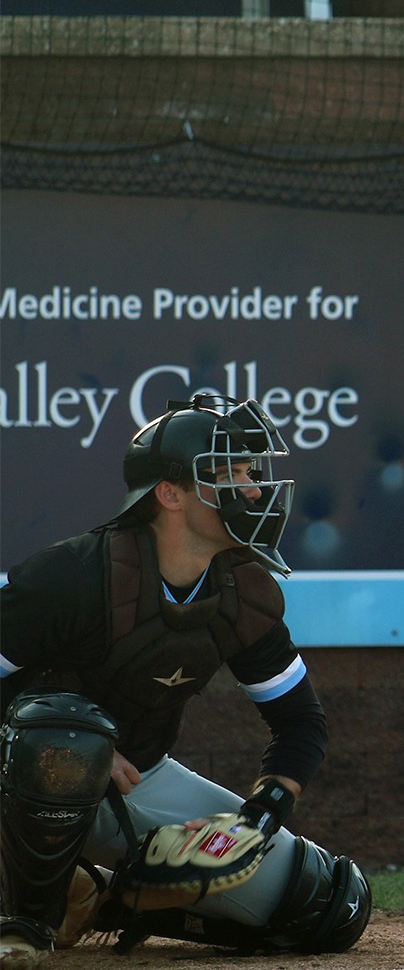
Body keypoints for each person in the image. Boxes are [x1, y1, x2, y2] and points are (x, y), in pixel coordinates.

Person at [0, 395, 371, 967]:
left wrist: (255, 820)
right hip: (20, 780)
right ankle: (23, 918)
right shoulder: (70, 578)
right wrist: (72, 744)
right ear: (169, 494)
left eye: (253, 473)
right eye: (229, 475)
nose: (253, 490)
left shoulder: (244, 593)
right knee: (62, 742)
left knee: (328, 905)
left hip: (136, 781)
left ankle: (99, 896)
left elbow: (300, 722)